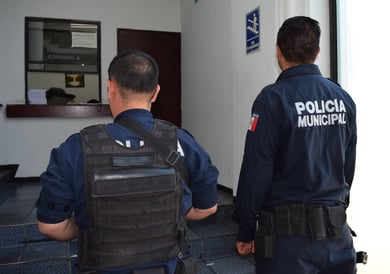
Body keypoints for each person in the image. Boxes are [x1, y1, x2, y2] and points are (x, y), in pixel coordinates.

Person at [37, 50, 219, 274]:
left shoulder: (75, 148)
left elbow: (51, 226)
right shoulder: (182, 142)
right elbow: (208, 207)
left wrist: (92, 223)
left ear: (110, 87)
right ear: (156, 92)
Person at [234, 16, 357, 274]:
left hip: (288, 245)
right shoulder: (342, 98)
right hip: (338, 240)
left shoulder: (272, 100)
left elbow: (256, 170)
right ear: (318, 52)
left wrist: (245, 230)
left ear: (278, 52)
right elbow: (347, 168)